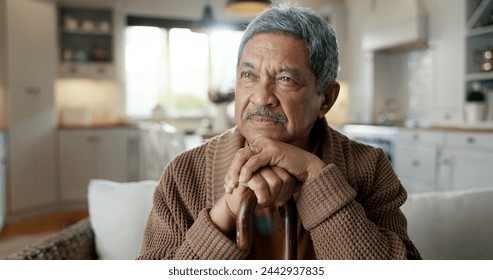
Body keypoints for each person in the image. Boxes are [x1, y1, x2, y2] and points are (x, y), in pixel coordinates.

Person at [137, 4, 421, 260]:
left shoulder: (370, 167)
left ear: (326, 99)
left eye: (285, 79)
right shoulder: (184, 173)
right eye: (249, 75)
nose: (261, 97)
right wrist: (226, 213)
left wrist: (316, 177)